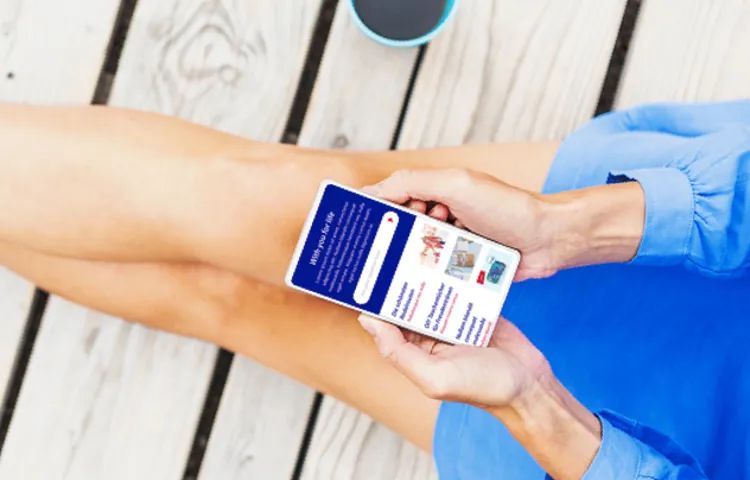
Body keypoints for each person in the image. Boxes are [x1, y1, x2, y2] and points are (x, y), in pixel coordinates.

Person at [0, 100, 747, 478]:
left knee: (229, 302)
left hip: (609, 446)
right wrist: (568, 226)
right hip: (690, 248)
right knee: (268, 206)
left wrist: (533, 404)